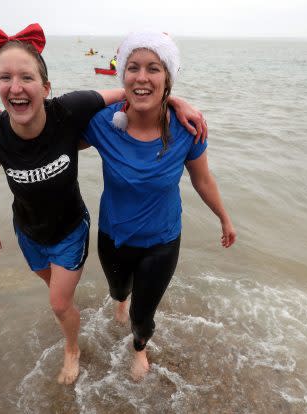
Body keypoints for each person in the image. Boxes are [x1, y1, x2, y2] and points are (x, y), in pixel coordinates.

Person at [0, 22, 206, 385]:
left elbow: (132, 91)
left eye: (26, 78)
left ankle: (87, 349)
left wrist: (174, 99)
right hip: (29, 231)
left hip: (71, 230)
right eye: (5, 78)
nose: (16, 87)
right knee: (63, 294)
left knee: (60, 303)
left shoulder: (69, 111)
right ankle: (100, 308)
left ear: (46, 87)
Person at [82, 31, 236, 381]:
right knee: (118, 292)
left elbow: (202, 180)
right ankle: (121, 299)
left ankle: (140, 348)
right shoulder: (103, 122)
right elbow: (50, 129)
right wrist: (1, 122)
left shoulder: (187, 129)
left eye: (154, 68)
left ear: (167, 77)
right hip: (113, 236)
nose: (142, 76)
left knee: (143, 315)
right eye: (133, 68)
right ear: (123, 77)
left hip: (162, 241)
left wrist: (225, 219)